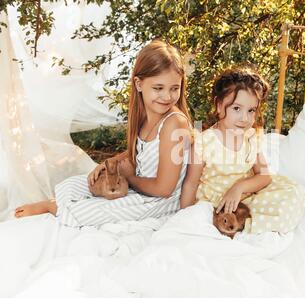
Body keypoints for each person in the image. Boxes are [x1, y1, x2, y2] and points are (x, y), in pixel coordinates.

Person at [15, 40, 192, 227]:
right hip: (143, 187)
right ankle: (63, 203)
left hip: (159, 202)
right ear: (139, 84)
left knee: (91, 211)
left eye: (175, 88)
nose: (167, 96)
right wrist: (113, 162)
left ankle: (54, 208)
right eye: (158, 88)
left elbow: (164, 189)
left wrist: (130, 177)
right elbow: (142, 152)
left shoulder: (174, 123)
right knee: (74, 184)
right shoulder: (149, 117)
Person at [180, 66, 305, 234]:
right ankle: (231, 225)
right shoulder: (204, 142)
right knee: (205, 218)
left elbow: (264, 176)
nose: (244, 118)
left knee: (292, 193)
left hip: (246, 199)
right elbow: (191, 184)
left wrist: (239, 188)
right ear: (219, 106)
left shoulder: (251, 138)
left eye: (251, 110)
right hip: (216, 205)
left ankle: (244, 225)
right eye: (236, 109)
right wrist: (184, 218)